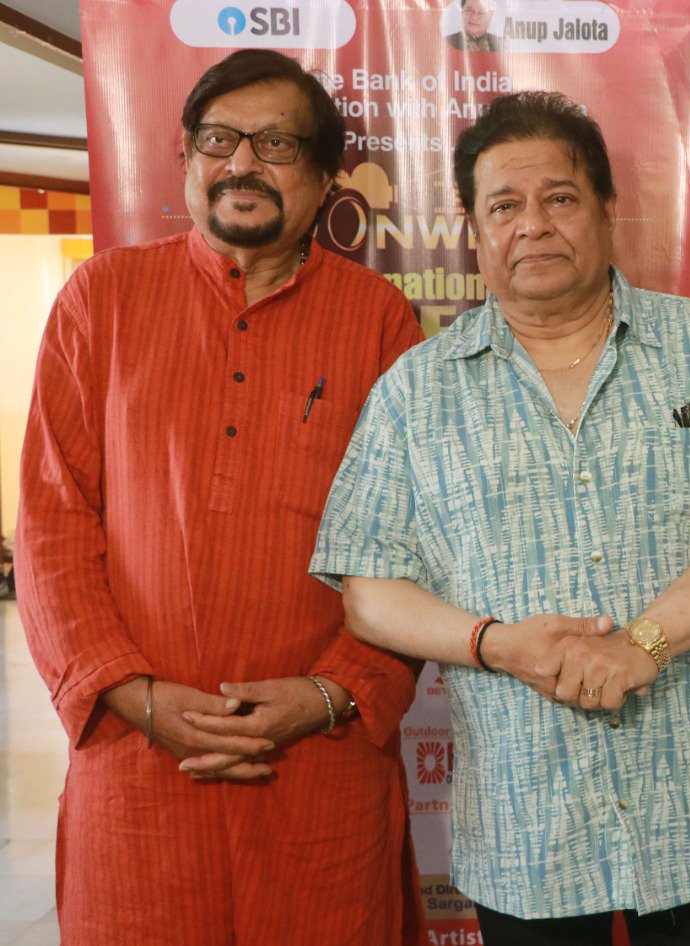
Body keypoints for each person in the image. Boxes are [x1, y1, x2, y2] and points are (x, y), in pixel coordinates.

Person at [310, 90, 690, 946]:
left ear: (608, 210)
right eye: (504, 206)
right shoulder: (416, 392)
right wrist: (497, 644)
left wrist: (642, 643)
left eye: (560, 198)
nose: (533, 226)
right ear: (475, 230)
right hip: (526, 833)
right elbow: (368, 590)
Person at [16, 50, 426, 944]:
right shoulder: (101, 300)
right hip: (139, 765)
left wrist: (329, 696)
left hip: (319, 765)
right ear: (186, 160)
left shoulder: (379, 321)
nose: (241, 163)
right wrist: (132, 695)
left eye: (277, 144)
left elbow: (415, 542)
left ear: (326, 178)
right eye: (218, 140)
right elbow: (52, 525)